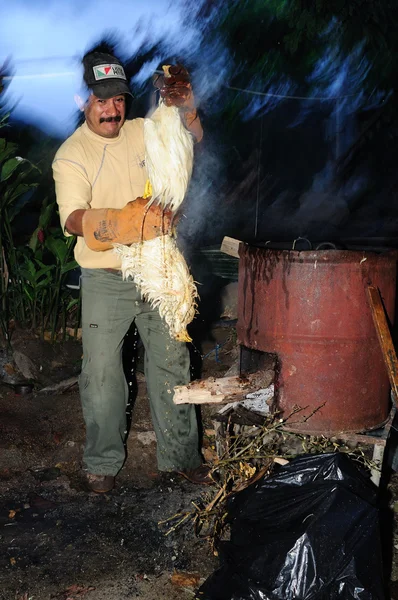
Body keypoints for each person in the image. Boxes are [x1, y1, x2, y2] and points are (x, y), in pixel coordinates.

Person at [52, 43, 207, 493]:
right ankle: (101, 463)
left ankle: (180, 457)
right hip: (106, 276)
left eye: (118, 98)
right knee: (101, 372)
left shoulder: (144, 131)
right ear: (84, 100)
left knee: (172, 361)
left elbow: (191, 139)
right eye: (102, 99)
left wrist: (188, 108)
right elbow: (72, 219)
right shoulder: (70, 154)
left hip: (159, 267)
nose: (112, 109)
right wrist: (120, 221)